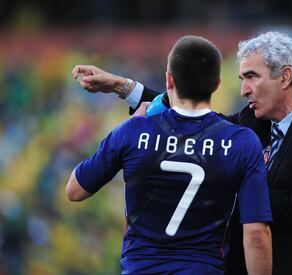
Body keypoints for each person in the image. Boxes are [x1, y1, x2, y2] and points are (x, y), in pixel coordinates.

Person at [73, 30, 292, 275]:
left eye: (251, 77)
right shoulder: (254, 120)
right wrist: (124, 87)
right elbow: (194, 117)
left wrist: (246, 186)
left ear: (284, 77)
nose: (244, 90)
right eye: (241, 78)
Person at [67, 35, 273, 275]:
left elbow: (75, 190)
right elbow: (257, 234)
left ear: (169, 80)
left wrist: (127, 126)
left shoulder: (133, 131)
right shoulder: (242, 142)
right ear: (217, 83)